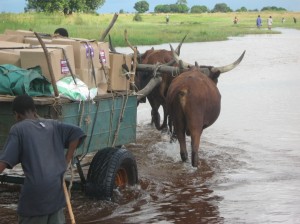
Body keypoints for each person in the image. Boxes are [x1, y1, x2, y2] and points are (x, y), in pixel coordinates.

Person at [0, 94, 86, 224]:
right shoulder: (53, 125)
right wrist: (66, 160)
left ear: (16, 115)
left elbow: (2, 164)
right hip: (56, 191)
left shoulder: (18, 129)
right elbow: (77, 133)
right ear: (35, 111)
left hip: (35, 197)